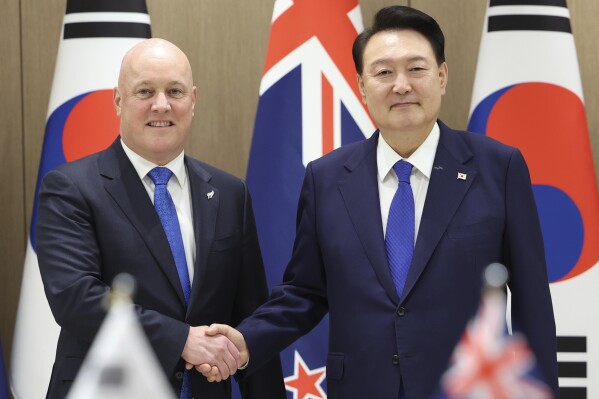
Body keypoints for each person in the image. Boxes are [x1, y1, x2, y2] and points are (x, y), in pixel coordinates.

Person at [199, 6, 559, 399]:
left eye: (416, 69)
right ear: (361, 86)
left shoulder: (497, 168)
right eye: (384, 72)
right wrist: (244, 340)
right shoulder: (327, 177)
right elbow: (306, 292)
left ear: (442, 77)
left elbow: (531, 303)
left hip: (467, 388)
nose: (401, 85)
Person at [36, 38, 285, 399]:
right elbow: (77, 297)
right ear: (119, 101)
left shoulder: (230, 193)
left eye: (175, 91)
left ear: (193, 100)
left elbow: (250, 314)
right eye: (145, 91)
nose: (162, 105)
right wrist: (181, 340)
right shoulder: (71, 188)